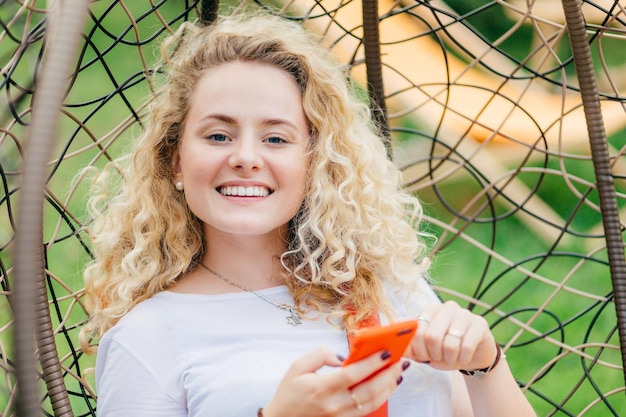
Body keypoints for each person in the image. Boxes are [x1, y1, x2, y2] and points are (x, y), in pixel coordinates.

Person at [81, 10, 537, 417]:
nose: (245, 157)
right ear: (176, 161)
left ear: (315, 161)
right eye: (218, 135)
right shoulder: (148, 339)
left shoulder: (387, 289)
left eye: (276, 138)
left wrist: (484, 362)